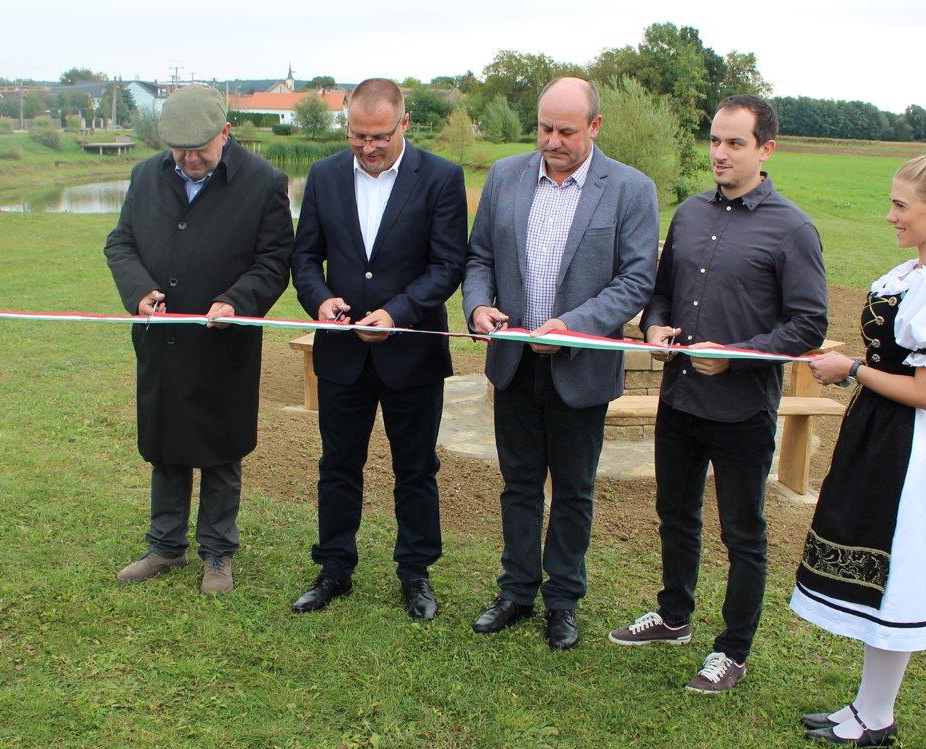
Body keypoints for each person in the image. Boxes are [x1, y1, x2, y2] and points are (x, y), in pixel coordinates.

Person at [607, 95, 829, 691]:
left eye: (735, 143)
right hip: (679, 401)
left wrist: (735, 355)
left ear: (766, 149)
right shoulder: (688, 214)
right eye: (714, 140)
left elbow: (809, 324)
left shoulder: (793, 228)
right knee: (675, 515)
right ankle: (674, 616)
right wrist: (655, 327)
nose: (720, 153)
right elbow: (661, 293)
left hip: (742, 410)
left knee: (742, 532)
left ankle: (733, 649)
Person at [791, 153, 926, 746]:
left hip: (913, 445)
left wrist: (850, 369)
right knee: (883, 573)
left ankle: (876, 716)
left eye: (901, 205)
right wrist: (854, 370)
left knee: (896, 572)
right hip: (884, 432)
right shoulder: (916, 273)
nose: (890, 215)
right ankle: (868, 706)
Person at [462, 78, 658, 649]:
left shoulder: (630, 189)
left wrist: (574, 325)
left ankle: (563, 600)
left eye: (566, 131)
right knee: (519, 485)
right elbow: (480, 258)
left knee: (574, 489)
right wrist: (478, 305)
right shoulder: (505, 177)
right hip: (514, 365)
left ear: (595, 127)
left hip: (582, 369)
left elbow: (636, 280)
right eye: (544, 128)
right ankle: (516, 591)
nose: (552, 140)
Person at [289, 78, 467, 620]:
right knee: (338, 465)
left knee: (416, 468)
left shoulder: (440, 177)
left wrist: (397, 314)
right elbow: (304, 258)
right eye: (358, 136)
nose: (368, 147)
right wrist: (320, 300)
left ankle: (415, 572)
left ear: (404, 124)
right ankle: (334, 568)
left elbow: (447, 266)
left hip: (411, 354)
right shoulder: (323, 176)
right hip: (342, 355)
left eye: (380, 137)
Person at [105, 85, 293, 595]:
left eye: (200, 149)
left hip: (223, 345)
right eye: (179, 149)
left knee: (220, 448)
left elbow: (274, 261)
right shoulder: (146, 175)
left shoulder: (263, 183)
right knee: (165, 444)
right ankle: (164, 545)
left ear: (225, 133)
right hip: (161, 341)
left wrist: (237, 300)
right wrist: (139, 291)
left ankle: (218, 551)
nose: (189, 159)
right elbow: (121, 243)